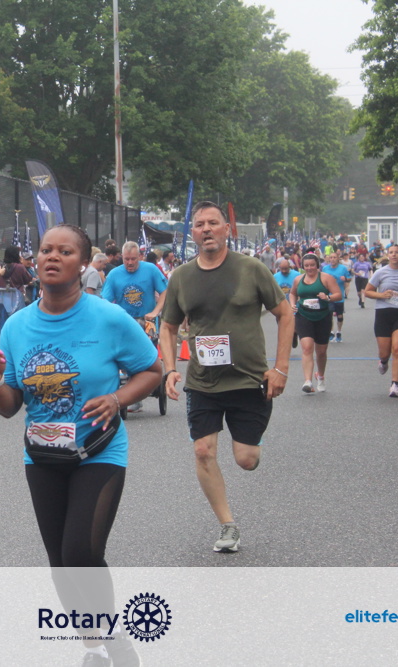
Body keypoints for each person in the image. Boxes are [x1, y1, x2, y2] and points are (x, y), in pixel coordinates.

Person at [0, 224, 160, 667]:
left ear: (83, 264)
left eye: (65, 251)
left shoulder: (108, 318)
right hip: (42, 456)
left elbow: (152, 371)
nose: (52, 257)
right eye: (46, 250)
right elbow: (9, 407)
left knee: (81, 551)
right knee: (60, 560)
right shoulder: (16, 327)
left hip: (99, 450)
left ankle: (115, 639)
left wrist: (117, 399)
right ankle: (93, 646)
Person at [159, 201, 293, 554]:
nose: (206, 229)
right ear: (192, 233)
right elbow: (168, 327)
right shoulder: (181, 277)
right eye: (199, 224)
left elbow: (285, 313)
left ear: (226, 229)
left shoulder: (251, 269)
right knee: (203, 451)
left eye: (213, 223)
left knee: (246, 460)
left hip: (248, 380)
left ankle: (250, 445)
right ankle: (227, 525)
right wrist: (170, 369)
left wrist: (280, 368)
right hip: (203, 382)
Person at [102, 241, 168, 413]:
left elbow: (165, 291)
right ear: (122, 258)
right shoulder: (114, 274)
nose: (130, 263)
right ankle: (129, 387)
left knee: (147, 352)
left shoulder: (151, 270)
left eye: (133, 259)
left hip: (147, 319)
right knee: (124, 353)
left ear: (140, 257)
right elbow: (105, 301)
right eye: (126, 259)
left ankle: (145, 383)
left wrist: (156, 311)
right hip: (125, 320)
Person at [364, 244, 398, 397]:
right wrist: (381, 295)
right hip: (383, 313)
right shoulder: (380, 272)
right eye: (391, 252)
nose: (394, 255)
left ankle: (394, 385)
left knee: (397, 347)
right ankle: (383, 361)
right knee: (384, 352)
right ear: (387, 255)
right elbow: (367, 292)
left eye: (397, 252)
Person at [289, 253, 341, 393]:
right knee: (307, 348)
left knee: (321, 352)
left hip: (322, 316)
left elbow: (338, 295)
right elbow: (293, 293)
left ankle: (321, 376)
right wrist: (292, 304)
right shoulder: (298, 279)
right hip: (303, 315)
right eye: (306, 265)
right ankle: (308, 381)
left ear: (317, 265)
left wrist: (328, 297)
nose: (309, 268)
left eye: (312, 265)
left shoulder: (326, 278)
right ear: (303, 267)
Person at [321, 251, 351, 343]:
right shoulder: (325, 268)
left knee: (339, 315)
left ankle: (339, 332)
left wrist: (345, 279)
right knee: (329, 315)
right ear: (329, 259)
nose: (332, 259)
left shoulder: (343, 268)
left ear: (338, 259)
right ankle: (331, 332)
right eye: (331, 257)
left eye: (334, 257)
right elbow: (321, 279)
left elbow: (349, 278)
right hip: (329, 296)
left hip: (339, 295)